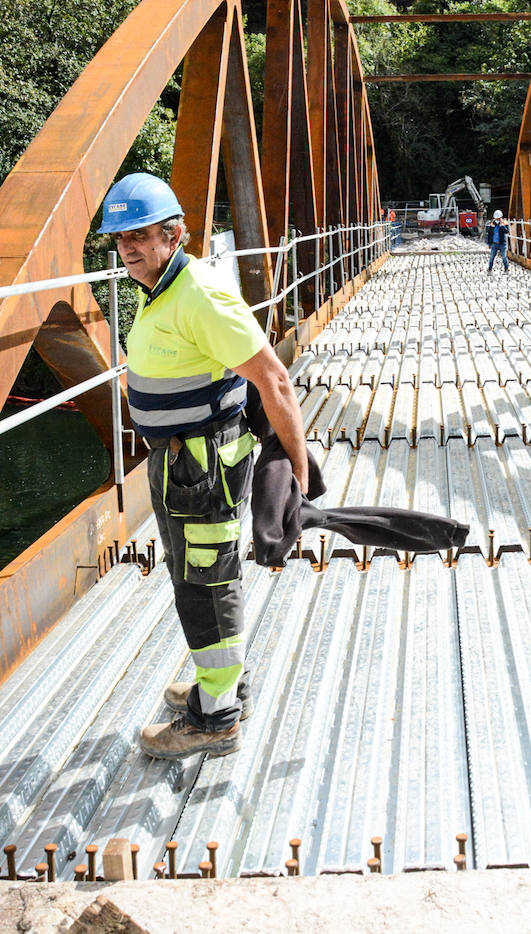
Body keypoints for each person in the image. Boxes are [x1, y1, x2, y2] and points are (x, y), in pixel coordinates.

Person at [100, 172, 309, 760]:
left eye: (140, 235)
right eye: (120, 240)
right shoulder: (164, 290)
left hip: (201, 468)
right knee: (197, 573)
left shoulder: (200, 293)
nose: (129, 249)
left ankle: (215, 718)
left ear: (175, 234)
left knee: (204, 583)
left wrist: (298, 472)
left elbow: (274, 380)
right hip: (180, 465)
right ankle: (222, 682)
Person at [486, 209, 510, 273]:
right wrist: (489, 243)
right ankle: (490, 269)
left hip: (502, 243)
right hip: (494, 244)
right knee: (492, 257)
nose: (498, 220)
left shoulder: (504, 223)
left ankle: (506, 269)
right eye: (497, 218)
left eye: (498, 218)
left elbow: (507, 231)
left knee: (504, 257)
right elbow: (489, 234)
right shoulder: (492, 224)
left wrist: (502, 226)